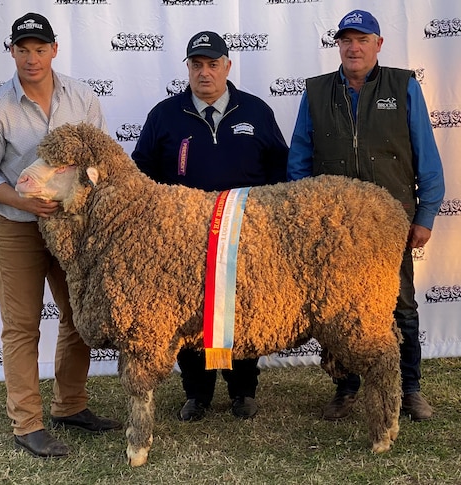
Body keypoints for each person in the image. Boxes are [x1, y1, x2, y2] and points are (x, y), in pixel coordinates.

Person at [0, 12, 121, 458]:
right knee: (21, 326)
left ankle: (70, 405)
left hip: (72, 230)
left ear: (54, 50)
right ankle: (27, 424)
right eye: (22, 49)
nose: (31, 58)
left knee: (77, 317)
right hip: (18, 230)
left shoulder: (83, 97)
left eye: (39, 49)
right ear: (11, 52)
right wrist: (24, 202)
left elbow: (101, 156)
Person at [287, 10, 446, 422]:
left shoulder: (404, 85)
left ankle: (409, 389)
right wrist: (307, 215)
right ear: (337, 46)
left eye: (362, 39)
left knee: (401, 304)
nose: (353, 47)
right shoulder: (317, 92)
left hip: (388, 227)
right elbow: (299, 159)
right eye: (346, 40)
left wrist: (425, 215)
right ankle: (346, 388)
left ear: (378, 44)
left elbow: (426, 157)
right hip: (333, 228)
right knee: (338, 308)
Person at [132, 31, 289, 422]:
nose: (205, 72)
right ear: (187, 68)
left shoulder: (255, 111)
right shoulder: (164, 115)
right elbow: (141, 176)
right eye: (197, 64)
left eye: (213, 64)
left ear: (227, 67)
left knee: (243, 310)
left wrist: (268, 223)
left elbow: (280, 170)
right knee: (189, 314)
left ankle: (243, 391)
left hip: (246, 237)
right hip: (183, 240)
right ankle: (196, 394)